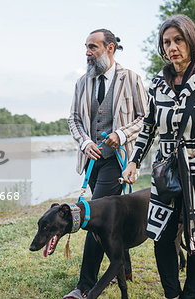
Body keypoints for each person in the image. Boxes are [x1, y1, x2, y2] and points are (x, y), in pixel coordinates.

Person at [122, 15, 195, 299]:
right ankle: (172, 295)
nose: (173, 47)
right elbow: (148, 126)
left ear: (191, 40)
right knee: (162, 237)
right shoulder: (157, 84)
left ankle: (190, 295)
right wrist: (134, 161)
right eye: (167, 42)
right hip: (165, 172)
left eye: (178, 40)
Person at [65, 29, 148, 299]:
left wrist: (121, 134)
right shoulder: (82, 82)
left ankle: (84, 286)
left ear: (110, 48)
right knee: (115, 216)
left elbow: (147, 118)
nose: (87, 52)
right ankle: (124, 269)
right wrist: (85, 142)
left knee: (95, 217)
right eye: (86, 47)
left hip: (119, 161)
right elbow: (73, 120)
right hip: (92, 161)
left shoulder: (131, 78)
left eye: (93, 47)